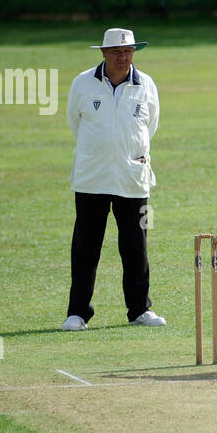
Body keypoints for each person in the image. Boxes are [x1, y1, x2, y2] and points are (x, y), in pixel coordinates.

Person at [62, 28, 165, 330]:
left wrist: (126, 151)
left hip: (132, 176)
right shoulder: (83, 83)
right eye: (117, 52)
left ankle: (139, 310)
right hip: (92, 176)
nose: (124, 57)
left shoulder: (146, 85)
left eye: (129, 51)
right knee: (85, 246)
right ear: (104, 53)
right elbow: (74, 123)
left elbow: (151, 126)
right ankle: (78, 312)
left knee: (136, 246)